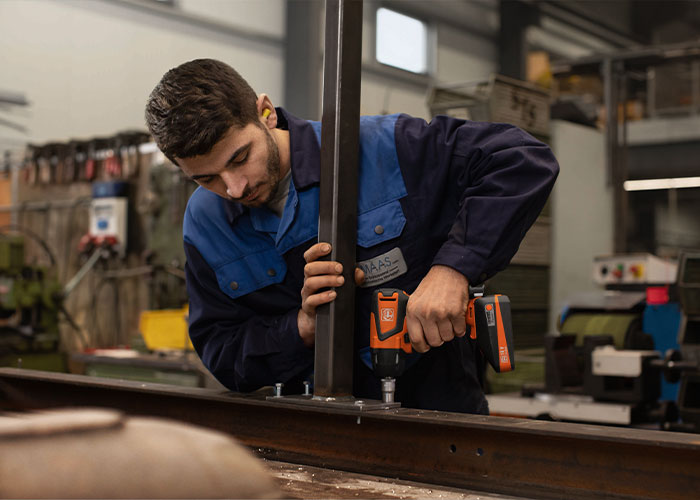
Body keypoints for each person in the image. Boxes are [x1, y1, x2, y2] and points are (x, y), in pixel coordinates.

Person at [145, 58, 559, 413]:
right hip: (309, 436)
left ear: (265, 112)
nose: (234, 188)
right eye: (207, 178)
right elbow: (223, 352)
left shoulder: (382, 149)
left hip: (439, 418)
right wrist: (301, 327)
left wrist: (453, 269)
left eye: (240, 158)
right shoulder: (204, 223)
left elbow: (520, 160)